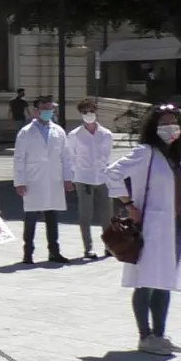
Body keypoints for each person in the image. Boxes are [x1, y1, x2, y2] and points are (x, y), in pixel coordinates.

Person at [107, 106, 181, 356]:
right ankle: (145, 336)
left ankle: (160, 335)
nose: (170, 128)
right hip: (151, 225)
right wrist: (129, 205)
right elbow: (112, 173)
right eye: (164, 123)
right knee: (146, 281)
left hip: (174, 225)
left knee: (165, 281)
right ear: (153, 127)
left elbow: (174, 189)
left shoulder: (176, 157)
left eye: (174, 122)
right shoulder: (146, 153)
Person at [13, 95, 73, 264]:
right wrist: (19, 181)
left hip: (53, 178)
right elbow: (19, 158)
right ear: (36, 110)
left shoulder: (58, 131)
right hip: (33, 179)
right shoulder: (26, 132)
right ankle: (28, 252)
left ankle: (54, 251)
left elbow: (65, 156)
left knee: (52, 215)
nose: (47, 111)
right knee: (31, 216)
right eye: (44, 108)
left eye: (50, 108)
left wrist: (68, 178)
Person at [67, 99, 115, 260]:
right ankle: (88, 248)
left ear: (96, 111)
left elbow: (107, 156)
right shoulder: (75, 135)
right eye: (85, 112)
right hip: (84, 178)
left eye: (91, 111)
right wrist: (73, 177)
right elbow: (70, 157)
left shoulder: (106, 134)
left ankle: (109, 247)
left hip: (103, 177)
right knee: (85, 214)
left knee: (107, 214)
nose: (89, 114)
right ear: (81, 114)